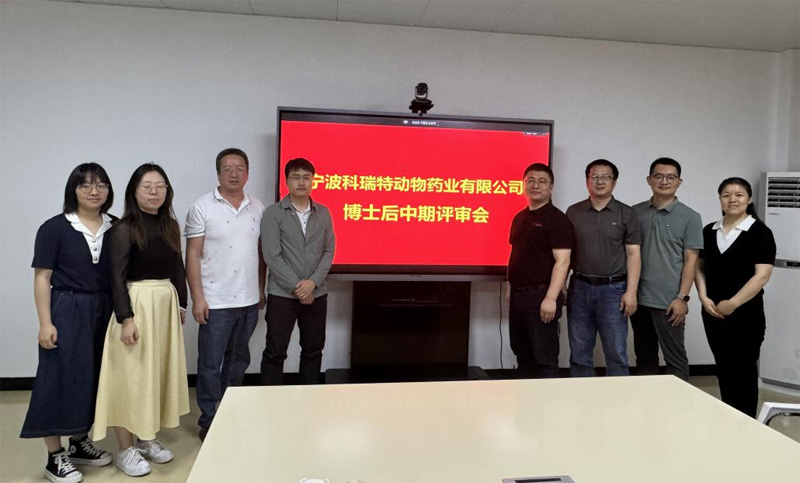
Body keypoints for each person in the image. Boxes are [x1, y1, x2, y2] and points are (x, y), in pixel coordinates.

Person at [92, 163, 190, 477]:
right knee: (130, 378)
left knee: (154, 375)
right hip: (136, 307)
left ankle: (146, 438)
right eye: (147, 186)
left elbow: (178, 268)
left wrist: (181, 304)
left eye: (160, 186)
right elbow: (116, 277)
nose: (154, 191)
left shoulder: (170, 225)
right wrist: (126, 318)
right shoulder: (124, 228)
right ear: (134, 192)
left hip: (164, 306)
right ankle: (125, 448)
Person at [21, 163, 115, 483]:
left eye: (101, 185)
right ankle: (54, 456)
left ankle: (78, 442)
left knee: (91, 377)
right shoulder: (54, 228)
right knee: (58, 379)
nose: (94, 191)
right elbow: (42, 278)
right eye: (85, 185)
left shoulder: (116, 227)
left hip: (105, 310)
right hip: (67, 308)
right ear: (72, 190)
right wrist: (45, 323)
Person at [185, 148, 266, 441]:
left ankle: (229, 411)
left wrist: (261, 288)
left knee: (238, 360)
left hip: (248, 300)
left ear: (247, 173)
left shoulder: (258, 207)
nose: (234, 173)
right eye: (227, 168)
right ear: (218, 173)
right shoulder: (202, 207)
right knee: (210, 364)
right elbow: (192, 255)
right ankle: (209, 419)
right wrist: (198, 298)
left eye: (239, 168)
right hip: (215, 301)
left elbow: (261, 253)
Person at [695, 177, 775, 417]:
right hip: (712, 312)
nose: (732, 199)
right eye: (726, 195)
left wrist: (733, 303)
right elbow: (698, 267)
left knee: (744, 373)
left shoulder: (760, 232)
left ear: (749, 199)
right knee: (724, 369)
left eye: (739, 195)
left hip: (746, 315)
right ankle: (729, 419)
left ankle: (746, 423)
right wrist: (703, 297)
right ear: (720, 199)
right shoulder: (709, 231)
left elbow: (762, 276)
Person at [260, 157, 335, 385]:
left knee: (313, 350)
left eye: (306, 177)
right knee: (275, 351)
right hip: (282, 295)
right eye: (296, 177)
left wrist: (312, 283)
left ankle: (308, 399)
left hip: (317, 294)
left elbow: (328, 251)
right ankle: (270, 400)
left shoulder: (323, 213)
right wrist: (298, 287)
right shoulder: (273, 213)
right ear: (286, 181)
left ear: (313, 181)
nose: (301, 182)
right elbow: (272, 255)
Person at [566, 159, 641, 377]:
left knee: (616, 352)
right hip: (579, 287)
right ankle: (582, 395)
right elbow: (566, 253)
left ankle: (617, 397)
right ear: (587, 181)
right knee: (579, 352)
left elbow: (633, 254)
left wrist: (631, 292)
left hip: (614, 290)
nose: (600, 181)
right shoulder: (574, 212)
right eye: (594, 177)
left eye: (606, 177)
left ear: (614, 182)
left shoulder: (626, 213)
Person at [630, 158, 703, 381]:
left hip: (669, 301)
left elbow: (691, 261)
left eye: (671, 177)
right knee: (644, 357)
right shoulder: (635, 213)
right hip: (639, 298)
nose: (664, 181)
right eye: (659, 176)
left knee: (675, 359)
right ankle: (647, 400)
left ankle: (679, 402)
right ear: (649, 180)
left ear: (679, 182)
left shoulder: (690, 217)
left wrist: (682, 298)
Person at [506, 163, 573, 378]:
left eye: (542, 181)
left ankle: (548, 399)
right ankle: (526, 398)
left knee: (544, 357)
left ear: (551, 188)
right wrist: (510, 286)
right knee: (522, 353)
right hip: (518, 295)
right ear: (523, 185)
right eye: (530, 181)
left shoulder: (557, 220)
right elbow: (515, 254)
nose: (535, 185)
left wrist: (551, 298)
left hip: (541, 295)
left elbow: (562, 262)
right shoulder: (519, 217)